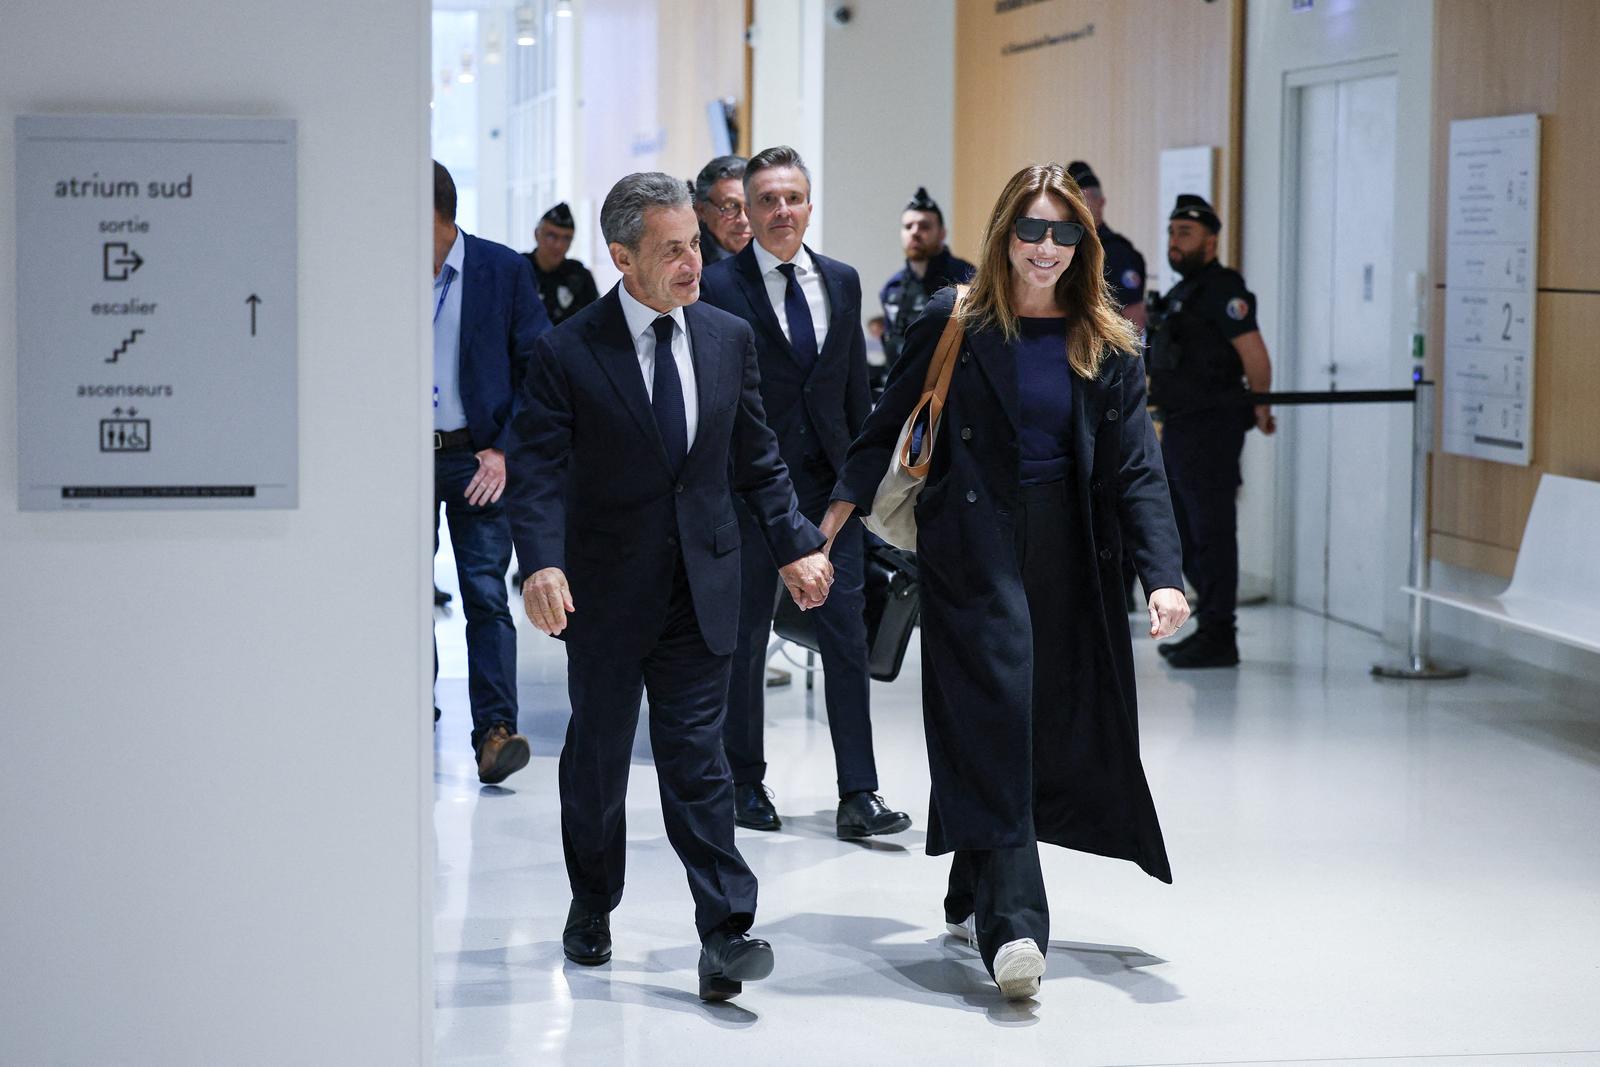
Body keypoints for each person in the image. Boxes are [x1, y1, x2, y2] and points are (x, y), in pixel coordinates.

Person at [820, 163, 1190, 1001]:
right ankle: (1016, 926)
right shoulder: (953, 318)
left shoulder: (1108, 339)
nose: (1045, 247)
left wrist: (1163, 576)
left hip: (1070, 550)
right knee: (996, 705)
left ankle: (972, 874)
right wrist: (828, 526)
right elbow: (885, 425)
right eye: (1031, 229)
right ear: (1003, 235)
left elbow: (1138, 469)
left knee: (1035, 717)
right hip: (971, 544)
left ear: (1083, 243)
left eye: (1063, 232)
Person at [504, 171, 835, 1002]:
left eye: (696, 244)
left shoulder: (727, 337)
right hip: (605, 595)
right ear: (622, 258)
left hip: (703, 586)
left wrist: (795, 544)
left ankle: (725, 931)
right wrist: (540, 560)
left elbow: (757, 458)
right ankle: (592, 900)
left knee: (698, 761)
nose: (695, 262)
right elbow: (536, 469)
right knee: (599, 760)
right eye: (673, 250)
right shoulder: (568, 350)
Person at [700, 145, 912, 840]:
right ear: (747, 211)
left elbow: (855, 398)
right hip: (748, 495)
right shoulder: (717, 285)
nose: (781, 210)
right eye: (767, 200)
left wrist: (854, 491)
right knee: (745, 641)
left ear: (809, 205)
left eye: (792, 197)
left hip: (829, 499)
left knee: (846, 635)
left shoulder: (842, 281)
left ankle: (859, 793)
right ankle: (743, 781)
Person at [430, 160, 550, 779]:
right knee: (398, 594)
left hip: (477, 458)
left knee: (484, 592)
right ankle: (408, 710)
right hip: (398, 460)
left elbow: (538, 369)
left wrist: (504, 448)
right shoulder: (380, 270)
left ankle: (496, 733)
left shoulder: (501, 270)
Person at [1146, 194, 1276, 669]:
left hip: (1212, 427)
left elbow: (1255, 354)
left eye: (1186, 233)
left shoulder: (1224, 290)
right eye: (1172, 231)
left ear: (1211, 241)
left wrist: (1261, 405)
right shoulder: (1184, 292)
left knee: (1212, 532)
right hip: (1181, 427)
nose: (1175, 241)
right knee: (1183, 532)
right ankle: (1209, 623)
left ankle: (1221, 633)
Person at [1067, 160, 1150, 611]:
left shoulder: (1120, 253)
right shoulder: (1057, 247)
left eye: (1086, 201)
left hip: (1107, 379)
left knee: (1118, 481)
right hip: (1066, 380)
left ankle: (1123, 586)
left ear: (1101, 203)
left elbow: (1133, 325)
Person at [879, 187, 975, 373]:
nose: (915, 232)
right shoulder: (892, 289)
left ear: (942, 233)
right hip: (903, 383)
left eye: (924, 226)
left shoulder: (967, 279)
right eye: (908, 226)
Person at [1066, 161, 1147, 331]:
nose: (1076, 210)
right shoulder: (1064, 247)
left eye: (1082, 202)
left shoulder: (1117, 252)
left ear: (1101, 202)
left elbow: (1134, 321)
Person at [523, 202, 600, 328]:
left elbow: (595, 323)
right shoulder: (519, 270)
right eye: (551, 236)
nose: (559, 245)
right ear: (536, 234)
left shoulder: (580, 276)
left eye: (566, 238)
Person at [693, 154, 753, 265]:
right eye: (729, 207)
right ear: (701, 210)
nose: (744, 220)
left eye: (752, 205)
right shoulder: (690, 263)